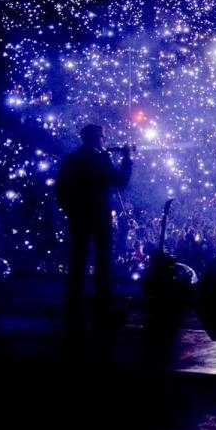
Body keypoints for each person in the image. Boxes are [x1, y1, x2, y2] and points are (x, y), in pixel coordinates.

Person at [55, 123, 133, 350]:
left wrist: (71, 210)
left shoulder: (71, 159)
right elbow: (121, 182)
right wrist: (127, 159)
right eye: (102, 136)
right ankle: (102, 304)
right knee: (102, 260)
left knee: (77, 258)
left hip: (78, 216)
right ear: (94, 138)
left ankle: (73, 304)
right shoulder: (99, 160)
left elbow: (59, 190)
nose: (104, 138)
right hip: (98, 216)